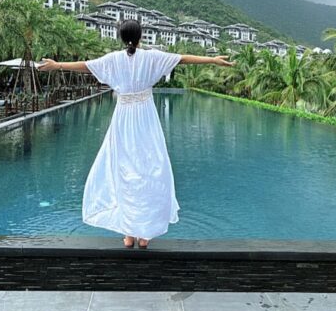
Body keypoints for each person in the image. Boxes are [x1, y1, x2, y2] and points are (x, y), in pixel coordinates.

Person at [38, 20, 234, 248]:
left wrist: (57, 64)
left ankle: (129, 234)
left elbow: (84, 65)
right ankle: (144, 234)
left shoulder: (113, 60)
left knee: (124, 172)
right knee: (149, 171)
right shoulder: (151, 57)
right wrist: (213, 60)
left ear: (121, 37)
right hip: (146, 120)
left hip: (123, 119)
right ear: (140, 37)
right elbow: (183, 58)